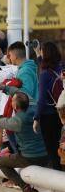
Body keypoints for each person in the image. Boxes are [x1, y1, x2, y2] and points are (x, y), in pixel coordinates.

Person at [0, 91, 48, 192]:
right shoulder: (35, 109)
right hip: (46, 154)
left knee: (1, 162)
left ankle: (25, 187)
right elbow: (22, 94)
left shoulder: (17, 121)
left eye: (12, 101)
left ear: (15, 106)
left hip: (30, 158)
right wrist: (5, 87)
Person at [34, 42, 63, 170]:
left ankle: (58, 178)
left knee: (52, 149)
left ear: (45, 54)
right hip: (62, 112)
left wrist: (36, 117)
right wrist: (38, 56)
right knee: (62, 144)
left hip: (49, 115)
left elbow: (41, 99)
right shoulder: (62, 67)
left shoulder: (44, 74)